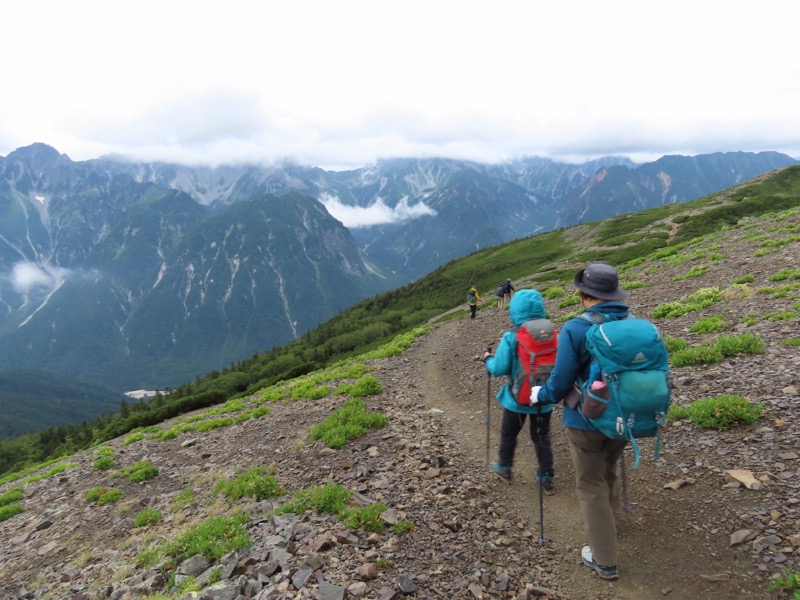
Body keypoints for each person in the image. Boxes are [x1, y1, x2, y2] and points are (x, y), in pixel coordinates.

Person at [528, 263, 630, 581]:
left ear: (586, 295)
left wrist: (539, 395)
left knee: (590, 484)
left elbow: (560, 383)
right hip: (623, 417)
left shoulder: (575, 328)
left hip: (585, 420)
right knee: (608, 469)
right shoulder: (631, 322)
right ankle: (609, 526)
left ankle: (604, 559)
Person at [481, 289, 555, 493]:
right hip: (543, 400)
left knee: (509, 433)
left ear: (515, 310)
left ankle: (504, 467)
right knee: (542, 437)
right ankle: (546, 476)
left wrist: (487, 358)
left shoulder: (511, 336)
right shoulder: (550, 333)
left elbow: (499, 368)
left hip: (516, 400)